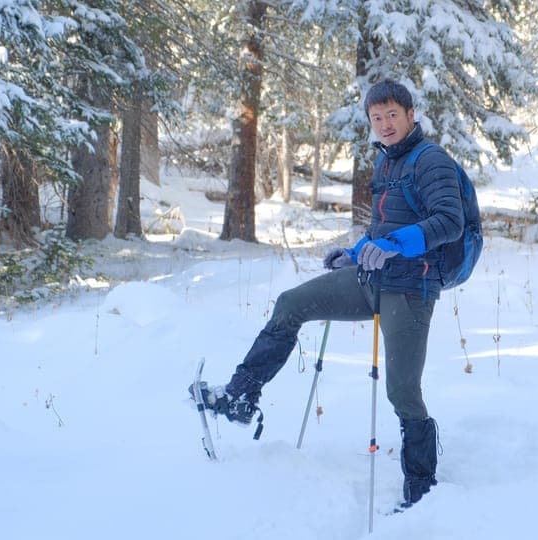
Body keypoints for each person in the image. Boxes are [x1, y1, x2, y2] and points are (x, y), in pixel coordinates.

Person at [191, 78, 464, 508]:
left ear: (411, 115)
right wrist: (354, 253)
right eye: (377, 117)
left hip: (411, 289)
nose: (385, 124)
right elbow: (383, 229)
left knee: (402, 391)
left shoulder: (431, 161)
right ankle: (241, 396)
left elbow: (450, 222)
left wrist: (393, 246)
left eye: (393, 115)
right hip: (371, 280)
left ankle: (421, 487)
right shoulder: (386, 163)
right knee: (290, 304)